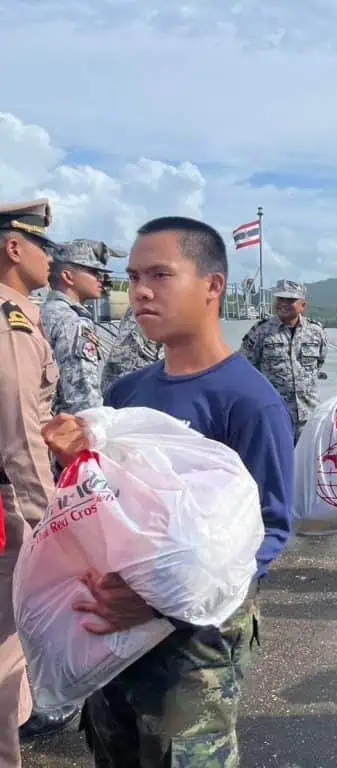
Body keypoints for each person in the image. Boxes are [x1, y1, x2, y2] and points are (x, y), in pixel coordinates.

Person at [42, 216, 295, 767]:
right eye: (132, 277)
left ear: (212, 285)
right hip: (112, 636)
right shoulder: (127, 394)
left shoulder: (248, 401)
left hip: (192, 650)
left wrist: (163, 600)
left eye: (160, 274)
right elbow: (108, 506)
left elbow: (271, 529)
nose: (140, 291)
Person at [0, 199, 75, 763]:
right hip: (8, 504)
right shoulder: (13, 321)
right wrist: (50, 517)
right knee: (6, 652)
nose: (51, 257)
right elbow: (20, 431)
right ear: (13, 247)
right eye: (42, 245)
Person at [241, 279, 329, 443]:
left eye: (290, 300)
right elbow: (246, 368)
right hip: (274, 414)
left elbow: (319, 362)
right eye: (280, 299)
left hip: (308, 416)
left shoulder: (316, 332)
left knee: (307, 465)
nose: (283, 304)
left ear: (302, 305)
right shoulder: (261, 331)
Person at [41, 239, 121, 415]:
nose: (102, 279)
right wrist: (99, 429)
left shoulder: (47, 311)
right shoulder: (73, 322)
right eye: (93, 272)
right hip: (71, 428)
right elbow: (83, 395)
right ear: (68, 276)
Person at [100, 305, 164, 396]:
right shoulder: (135, 309)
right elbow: (119, 352)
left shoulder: (174, 309)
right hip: (120, 389)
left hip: (150, 391)